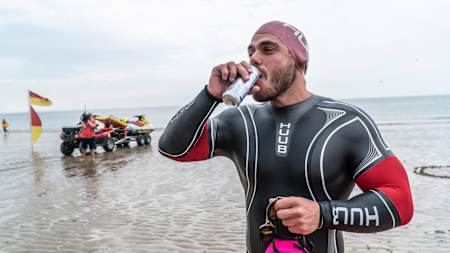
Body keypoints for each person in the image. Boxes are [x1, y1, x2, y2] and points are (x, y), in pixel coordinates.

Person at [158, 21, 414, 253]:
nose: (254, 59)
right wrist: (210, 95)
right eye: (251, 52)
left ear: (299, 61)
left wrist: (323, 214)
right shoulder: (240, 121)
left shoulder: (346, 122)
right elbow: (173, 148)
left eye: (268, 50)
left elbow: (401, 202)